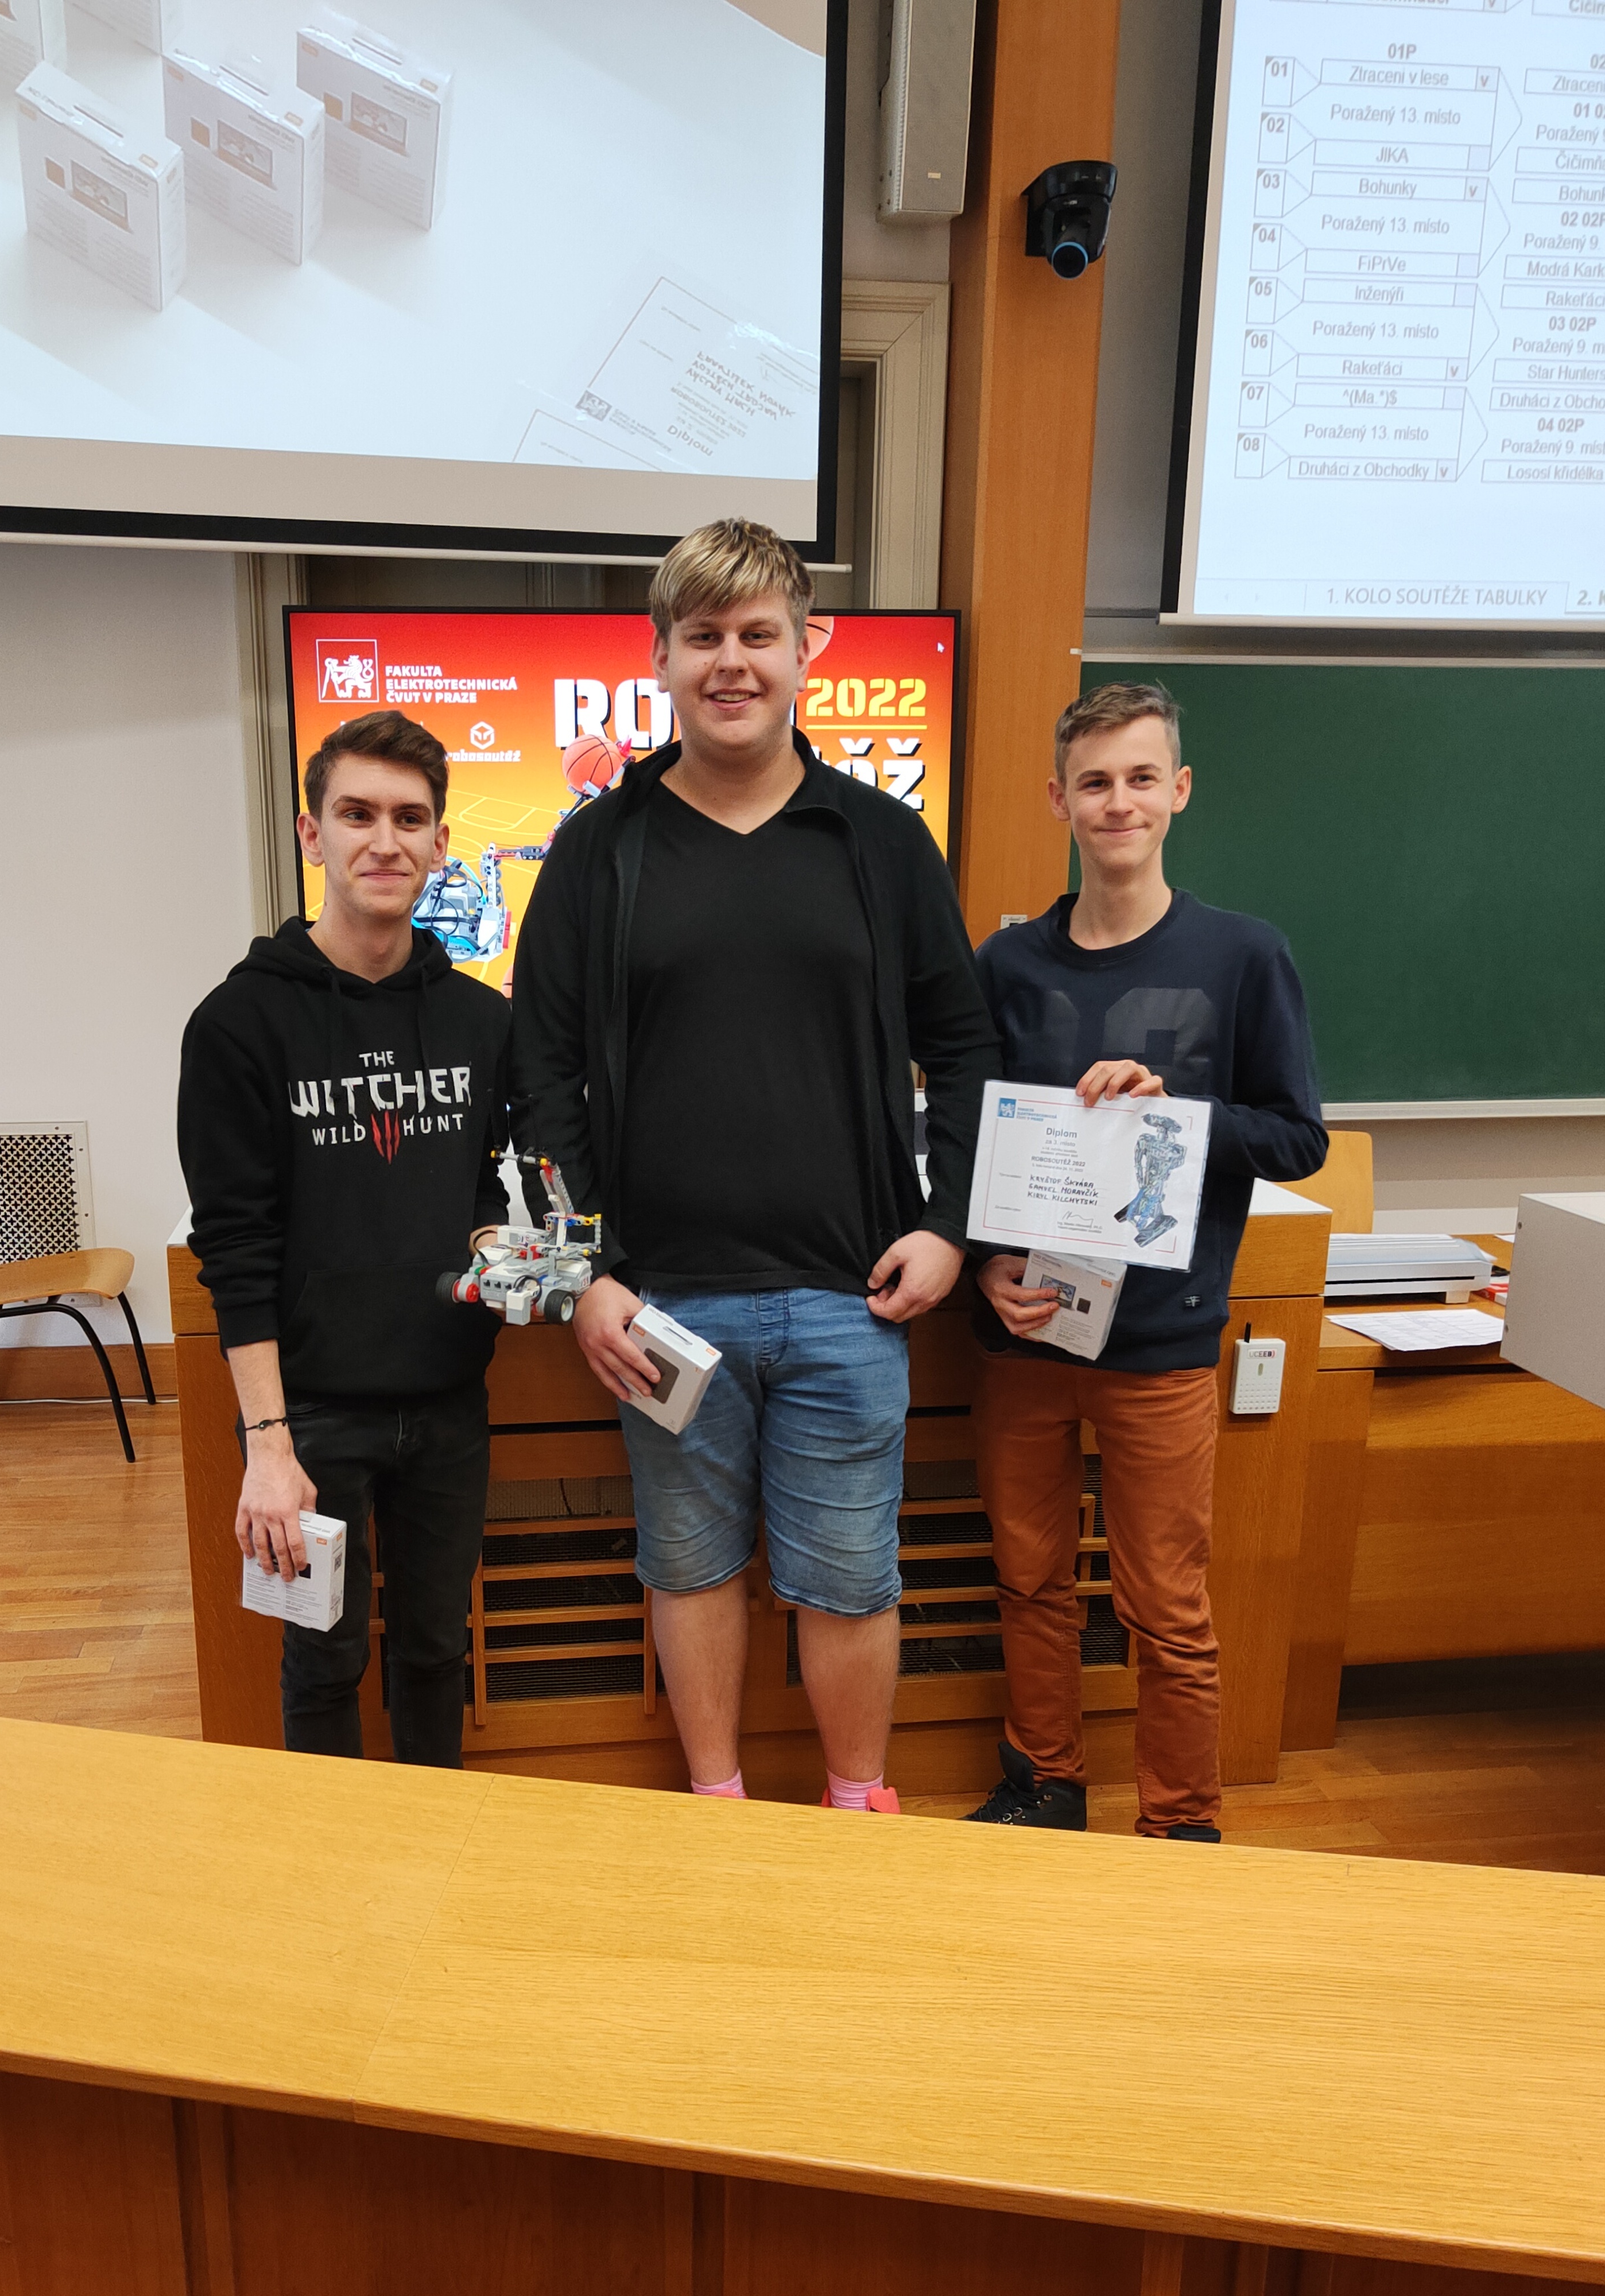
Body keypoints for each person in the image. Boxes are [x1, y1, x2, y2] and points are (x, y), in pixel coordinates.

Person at [510, 518, 1000, 1812]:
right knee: (689, 1567)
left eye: (758, 634)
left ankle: (856, 1806)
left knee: (851, 1577)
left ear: (806, 648)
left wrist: (950, 1223)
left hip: (853, 1297)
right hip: (661, 1304)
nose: (732, 661)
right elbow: (541, 1074)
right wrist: (581, 1274)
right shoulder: (600, 849)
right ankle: (716, 1810)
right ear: (660, 658)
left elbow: (966, 1047)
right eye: (704, 636)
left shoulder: (880, 842)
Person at [967, 682, 1326, 1840]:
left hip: (1162, 1340)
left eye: (1139, 778)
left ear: (1179, 790)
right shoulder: (1007, 964)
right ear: (1058, 799)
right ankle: (1046, 1783)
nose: (1116, 802)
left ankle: (1180, 1823)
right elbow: (967, 1138)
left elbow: (1299, 1138)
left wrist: (1178, 1115)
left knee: (1166, 1606)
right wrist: (982, 1266)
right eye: (1094, 782)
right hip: (1027, 1330)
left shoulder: (1243, 956)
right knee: (1028, 1578)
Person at [178, 708, 512, 1767]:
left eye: (410, 819)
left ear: (440, 844)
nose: (385, 840)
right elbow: (235, 1249)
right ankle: (323, 1859)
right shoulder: (238, 1024)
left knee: (435, 1653)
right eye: (357, 814)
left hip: (449, 1403)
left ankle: (434, 1844)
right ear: (311, 835)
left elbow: (487, 1187)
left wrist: (503, 1246)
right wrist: (268, 1447)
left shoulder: (481, 1022)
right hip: (310, 1418)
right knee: (320, 1666)